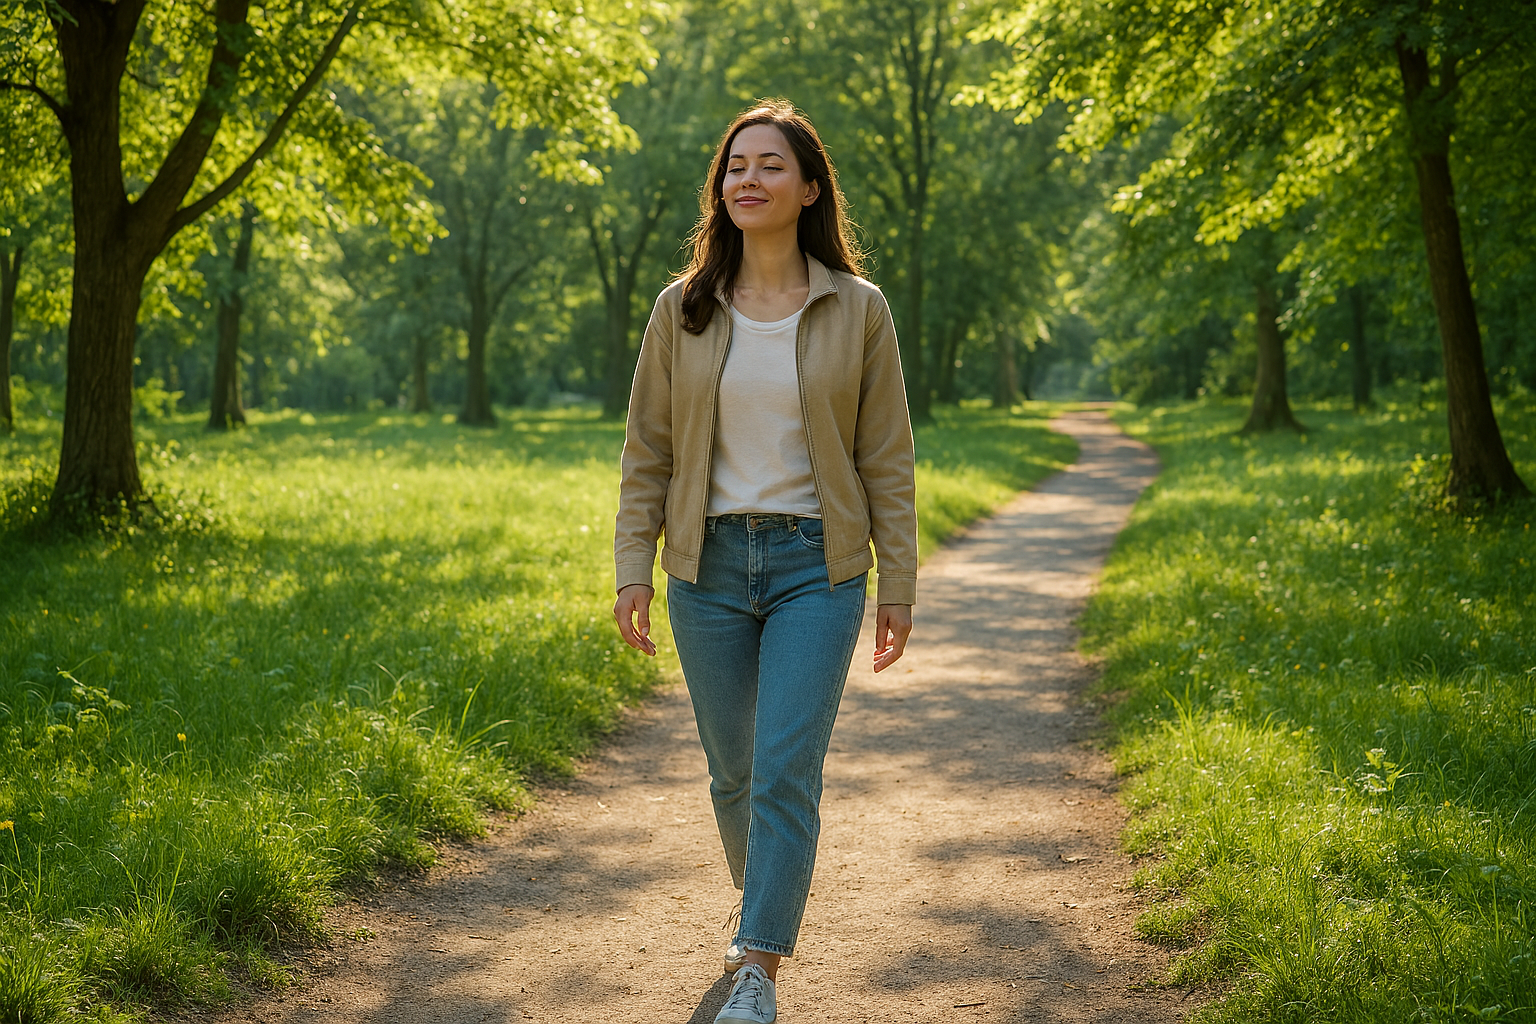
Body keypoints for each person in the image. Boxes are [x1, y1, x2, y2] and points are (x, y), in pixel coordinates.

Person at [612, 99, 917, 1024]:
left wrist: (897, 582)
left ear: (810, 187)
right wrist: (634, 564)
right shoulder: (684, 309)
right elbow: (648, 451)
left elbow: (886, 458)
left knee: (785, 767)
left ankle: (758, 966)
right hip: (704, 567)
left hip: (813, 568)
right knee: (733, 772)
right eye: (734, 166)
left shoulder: (858, 310)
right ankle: (763, 906)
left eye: (769, 165)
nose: (747, 178)